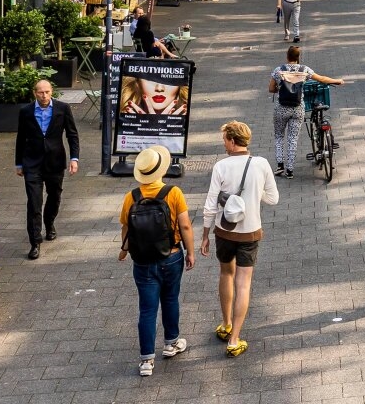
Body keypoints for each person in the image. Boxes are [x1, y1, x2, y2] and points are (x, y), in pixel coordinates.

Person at [201, 121, 279, 358]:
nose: (223, 143)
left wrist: (205, 235)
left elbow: (210, 204)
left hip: (224, 232)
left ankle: (225, 324)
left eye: (224, 139)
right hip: (250, 232)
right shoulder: (262, 164)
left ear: (233, 141)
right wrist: (254, 193)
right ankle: (235, 339)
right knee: (243, 283)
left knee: (226, 274)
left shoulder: (221, 167)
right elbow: (273, 199)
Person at [119, 144, 194, 376]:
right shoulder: (173, 193)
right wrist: (190, 251)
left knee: (147, 309)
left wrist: (124, 250)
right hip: (171, 256)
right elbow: (185, 225)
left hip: (142, 261)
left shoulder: (131, 197)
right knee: (170, 299)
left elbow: (126, 228)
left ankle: (146, 361)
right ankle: (171, 343)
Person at [15, 79, 79, 259]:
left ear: (52, 92)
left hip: (55, 161)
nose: (44, 96)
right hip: (32, 163)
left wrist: (74, 158)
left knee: (54, 196)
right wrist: (19, 163)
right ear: (35, 93)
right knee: (34, 203)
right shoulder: (26, 111)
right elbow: (21, 138)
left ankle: (49, 223)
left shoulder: (62, 108)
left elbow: (72, 134)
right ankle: (35, 242)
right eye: (40, 92)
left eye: (47, 92)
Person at [269, 45, 345, 178]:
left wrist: (279, 89)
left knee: (279, 136)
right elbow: (322, 79)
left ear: (287, 57)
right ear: (298, 58)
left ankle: (280, 166)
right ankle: (290, 171)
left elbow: (271, 89)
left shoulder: (278, 70)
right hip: (298, 109)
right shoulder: (304, 70)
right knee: (293, 138)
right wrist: (337, 81)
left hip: (281, 108)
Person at [120, 73, 190, 116]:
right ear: (138, 83)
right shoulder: (124, 117)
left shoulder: (189, 118)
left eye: (169, 80)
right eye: (151, 79)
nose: (159, 88)